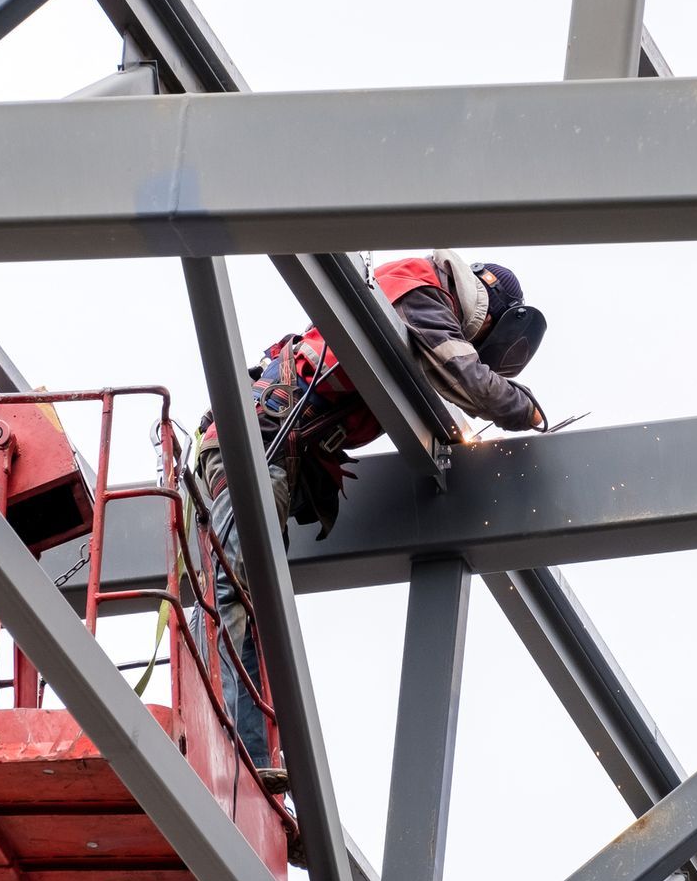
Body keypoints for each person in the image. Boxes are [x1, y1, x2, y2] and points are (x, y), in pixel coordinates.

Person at [192, 250, 547, 790]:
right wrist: (527, 409)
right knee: (233, 584)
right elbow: (464, 375)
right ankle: (223, 743)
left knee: (255, 599)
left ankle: (251, 755)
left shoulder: (418, 314)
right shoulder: (418, 288)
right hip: (252, 443)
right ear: (488, 313)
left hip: (278, 453)